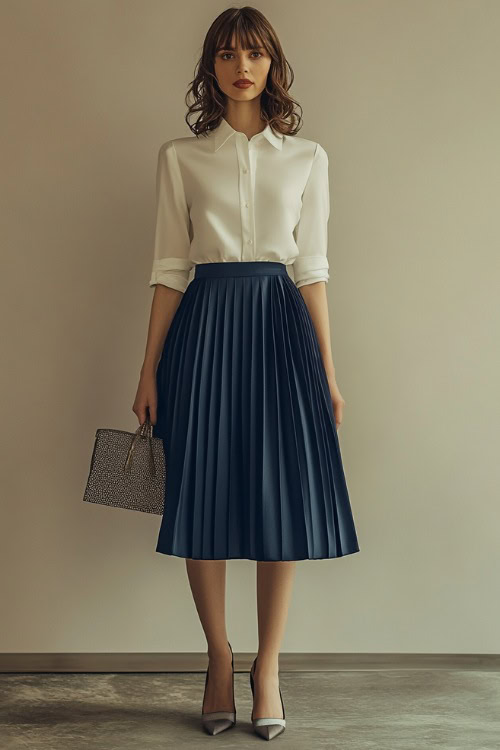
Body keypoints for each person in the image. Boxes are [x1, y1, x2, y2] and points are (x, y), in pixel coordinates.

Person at [133, 5, 360, 741]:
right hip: (204, 327)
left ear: (273, 65)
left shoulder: (309, 158)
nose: (242, 65)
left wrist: (326, 373)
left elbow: (313, 270)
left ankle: (268, 667)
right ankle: (219, 658)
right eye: (228, 53)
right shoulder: (180, 157)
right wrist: (148, 369)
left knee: (279, 497)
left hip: (279, 327)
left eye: (255, 53)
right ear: (212, 66)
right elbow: (170, 267)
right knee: (200, 488)